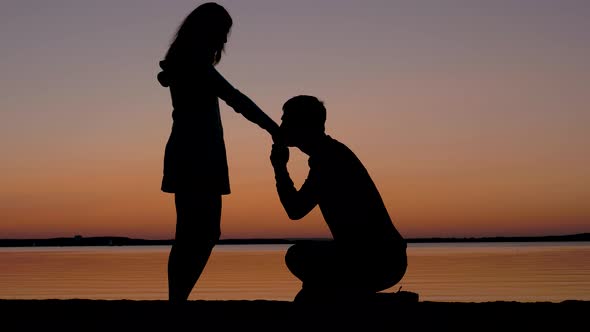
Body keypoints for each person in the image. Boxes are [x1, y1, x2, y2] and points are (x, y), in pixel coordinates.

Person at [157, 2, 279, 303]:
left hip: (194, 152)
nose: (224, 40)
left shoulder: (185, 63)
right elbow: (236, 99)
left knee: (194, 232)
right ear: (207, 31)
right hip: (197, 155)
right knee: (199, 232)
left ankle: (177, 299)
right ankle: (177, 300)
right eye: (222, 32)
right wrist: (274, 129)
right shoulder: (195, 65)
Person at [270, 95, 407, 302]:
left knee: (297, 256)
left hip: (378, 261)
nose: (281, 125)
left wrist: (280, 167)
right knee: (309, 281)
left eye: (286, 119)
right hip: (378, 258)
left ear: (302, 124)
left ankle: (361, 299)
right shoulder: (329, 154)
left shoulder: (329, 159)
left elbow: (295, 210)